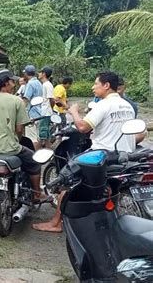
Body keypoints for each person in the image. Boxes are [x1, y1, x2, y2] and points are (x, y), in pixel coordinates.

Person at [32, 71, 139, 233]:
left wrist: (74, 111)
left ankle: (56, 223)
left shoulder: (104, 105)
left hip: (101, 156)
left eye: (96, 84)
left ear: (106, 85)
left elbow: (82, 127)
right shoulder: (127, 105)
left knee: (67, 182)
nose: (93, 87)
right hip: (124, 156)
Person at [0, 68, 43, 218]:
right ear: (5, 83)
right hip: (12, 148)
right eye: (12, 81)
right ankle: (37, 194)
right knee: (35, 163)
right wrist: (15, 138)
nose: (15, 83)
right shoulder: (17, 101)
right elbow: (19, 129)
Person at [22, 65, 43, 150]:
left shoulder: (30, 84)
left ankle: (34, 158)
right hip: (39, 113)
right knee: (37, 137)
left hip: (32, 114)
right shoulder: (39, 83)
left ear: (26, 74)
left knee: (32, 139)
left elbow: (26, 100)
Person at [38, 66, 55, 148]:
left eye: (40, 72)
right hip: (45, 111)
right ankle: (49, 150)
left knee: (43, 132)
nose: (39, 74)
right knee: (46, 133)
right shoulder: (45, 84)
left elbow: (51, 100)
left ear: (44, 74)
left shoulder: (47, 85)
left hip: (46, 112)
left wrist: (51, 109)